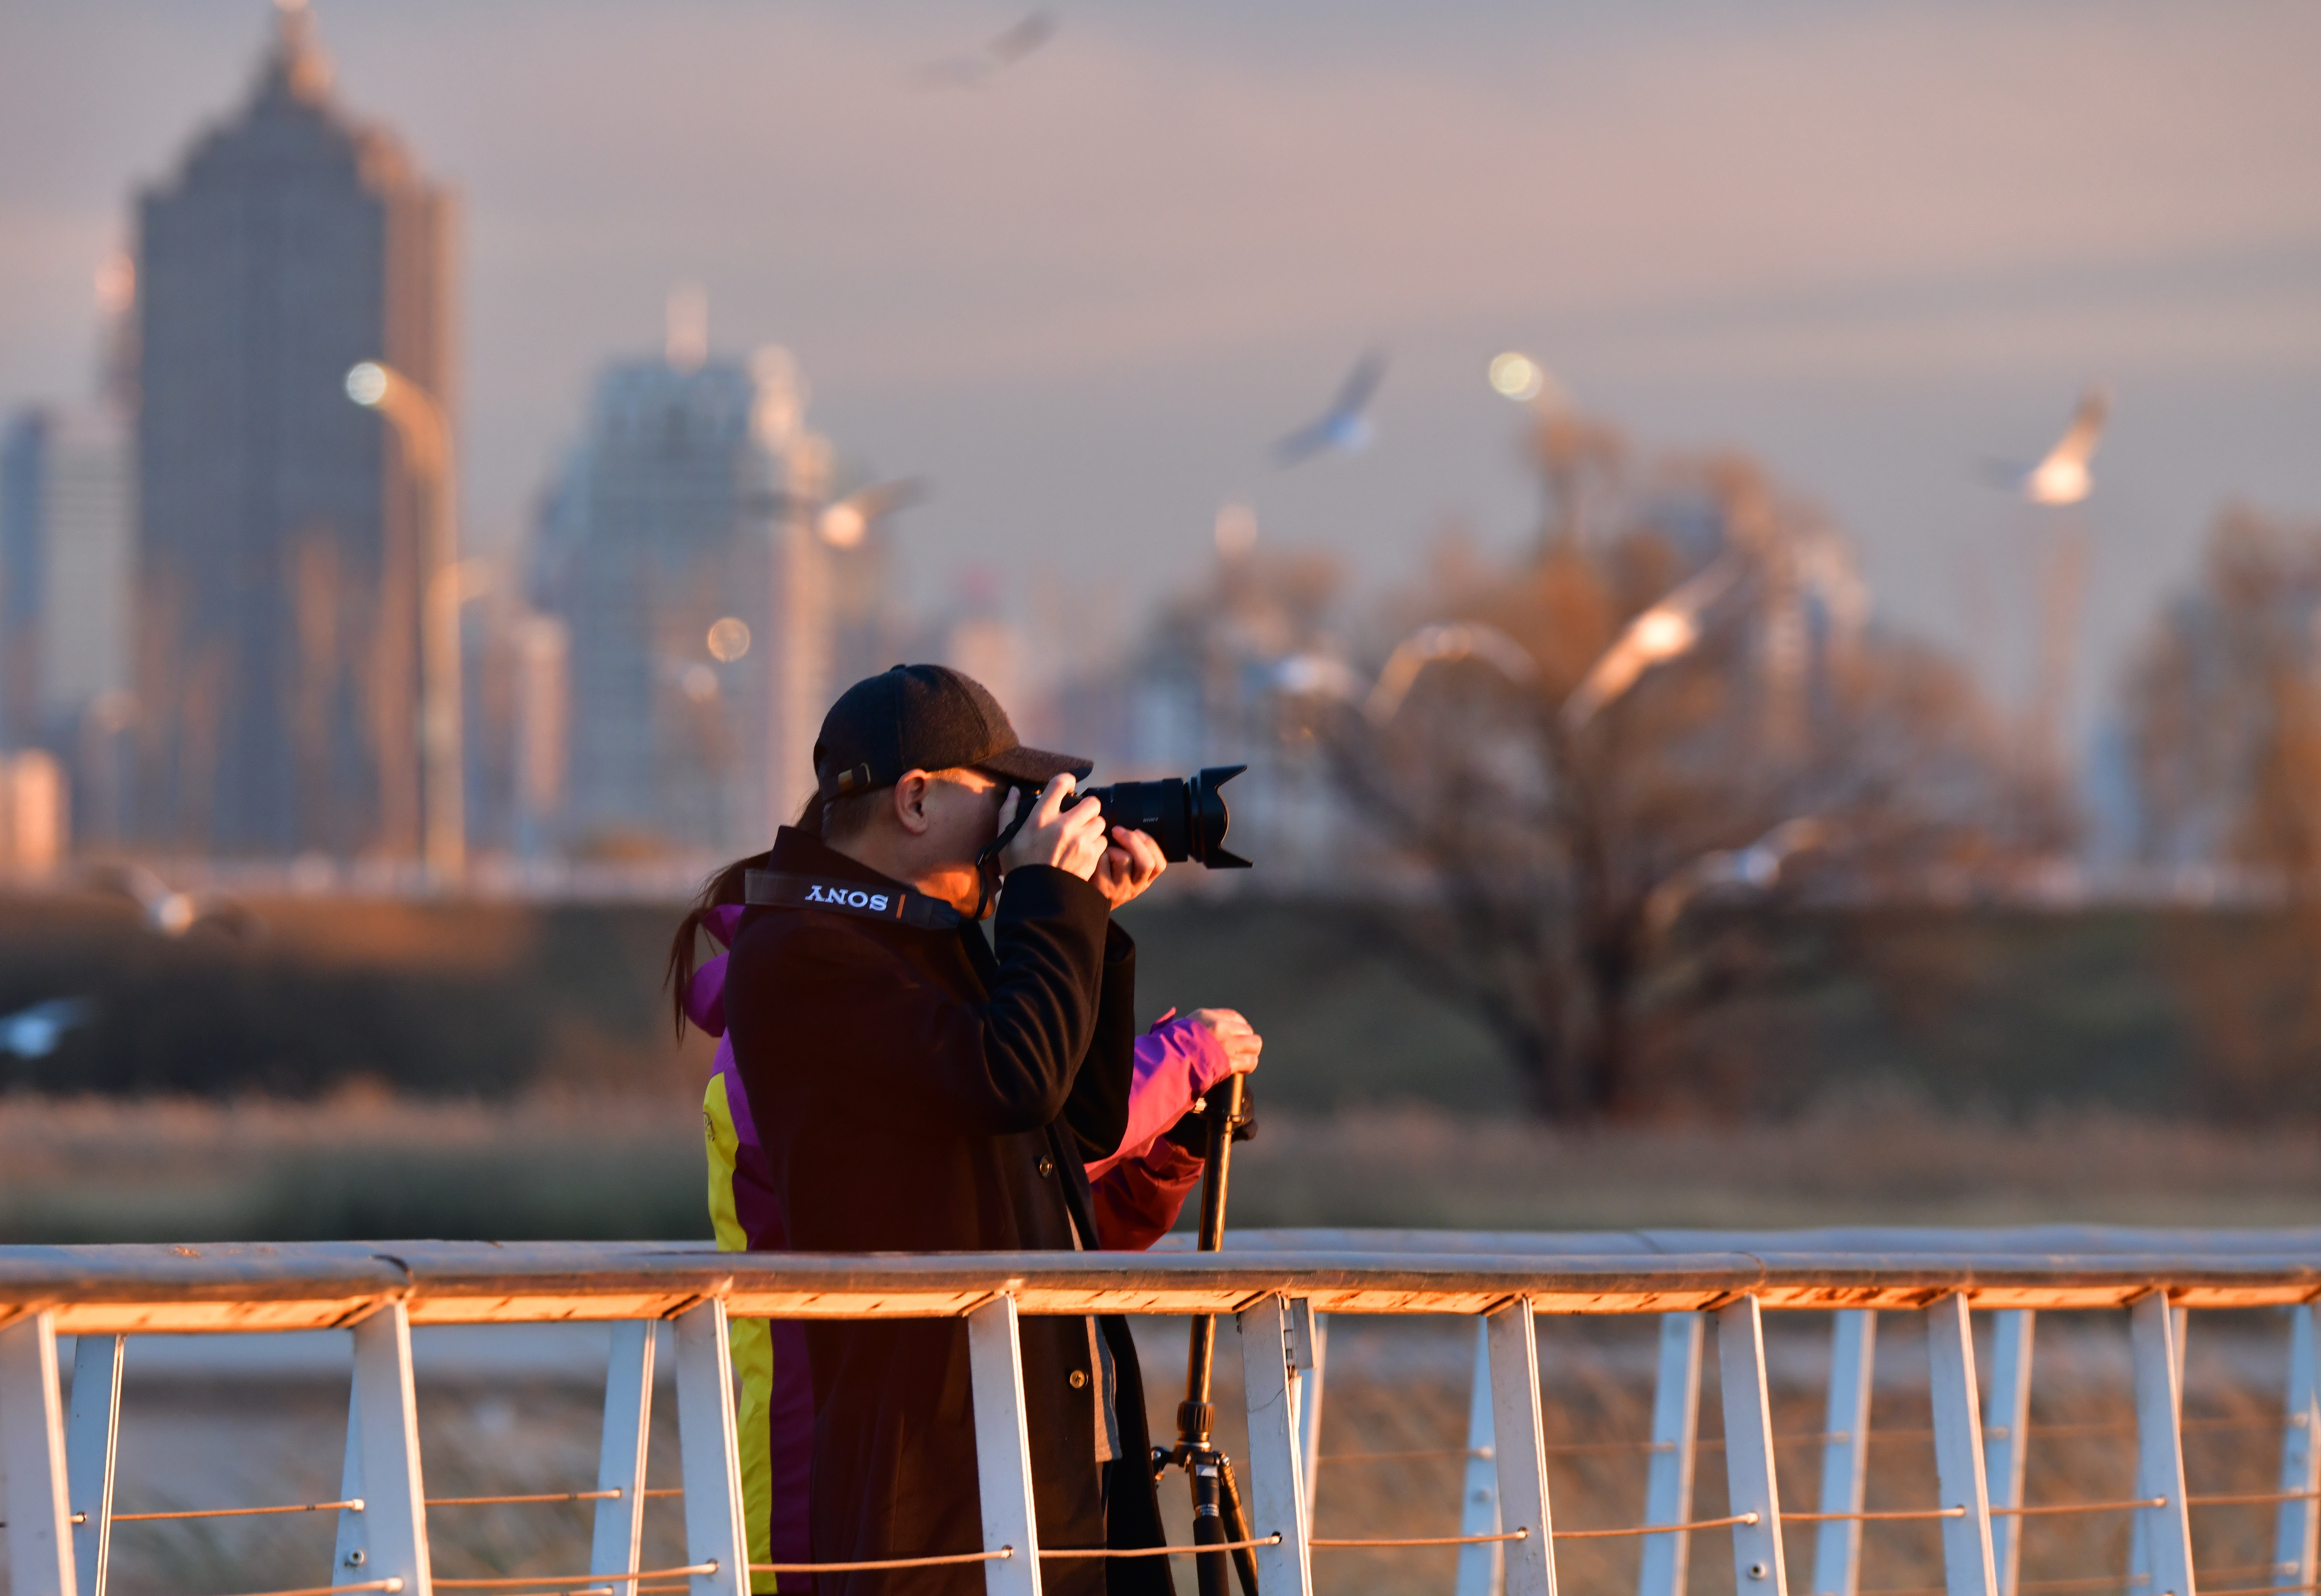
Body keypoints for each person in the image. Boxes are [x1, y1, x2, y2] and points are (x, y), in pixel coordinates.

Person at [665, 664, 1263, 1596]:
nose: (1023, 821)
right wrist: (1043, 903)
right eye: (1005, 796)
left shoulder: (917, 943)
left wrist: (1088, 916)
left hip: (1032, 1455)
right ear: (914, 799)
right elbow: (1012, 1078)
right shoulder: (805, 955)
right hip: (928, 1482)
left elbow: (1079, 1117)